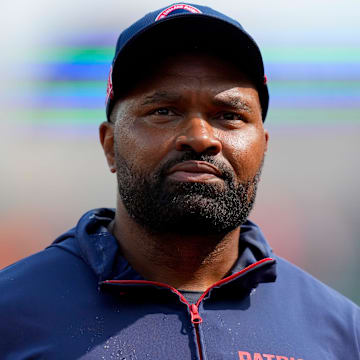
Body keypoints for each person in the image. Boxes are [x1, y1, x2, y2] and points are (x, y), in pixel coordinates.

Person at [0, 3, 359, 359]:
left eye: (229, 115)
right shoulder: (13, 314)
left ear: (262, 147)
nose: (200, 136)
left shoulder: (340, 332)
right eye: (164, 111)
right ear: (110, 145)